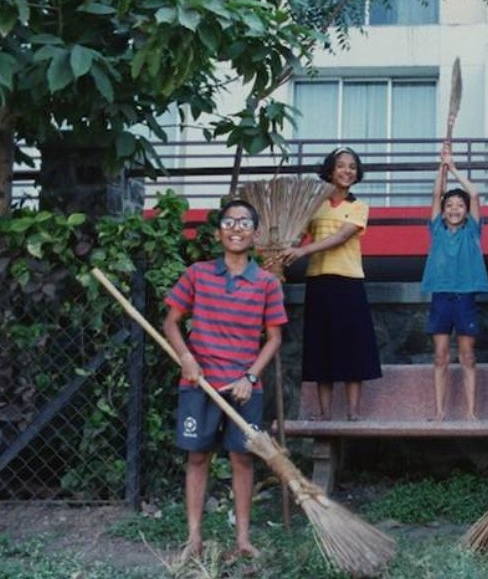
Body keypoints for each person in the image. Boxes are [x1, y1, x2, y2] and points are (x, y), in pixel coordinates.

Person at [162, 199, 286, 561]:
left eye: (244, 223)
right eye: (229, 222)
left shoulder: (266, 283)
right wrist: (186, 357)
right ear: (218, 232)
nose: (236, 228)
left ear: (255, 234)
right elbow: (171, 321)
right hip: (199, 384)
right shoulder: (197, 274)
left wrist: (250, 375)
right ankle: (194, 538)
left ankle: (244, 540)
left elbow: (274, 338)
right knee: (198, 458)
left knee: (242, 460)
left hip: (245, 389)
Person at [279, 147, 382, 421]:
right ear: (330, 170)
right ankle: (324, 414)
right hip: (318, 281)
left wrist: (302, 252)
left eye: (352, 166)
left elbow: (341, 237)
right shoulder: (313, 205)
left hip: (348, 282)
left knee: (353, 345)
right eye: (341, 166)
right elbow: (298, 234)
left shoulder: (359, 207)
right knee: (320, 345)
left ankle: (353, 413)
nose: (347, 171)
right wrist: (282, 251)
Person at [420, 148, 488, 421]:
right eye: (450, 206)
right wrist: (442, 167)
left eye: (459, 206)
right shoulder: (436, 228)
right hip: (441, 297)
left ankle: (471, 413)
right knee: (440, 356)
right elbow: (436, 195)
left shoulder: (473, 230)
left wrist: (455, 167)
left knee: (467, 356)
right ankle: (439, 412)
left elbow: (473, 193)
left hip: (465, 299)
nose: (454, 209)